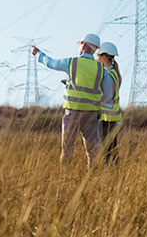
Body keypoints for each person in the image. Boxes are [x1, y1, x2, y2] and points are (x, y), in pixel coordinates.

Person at [32, 33, 113, 167]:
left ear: (84, 45)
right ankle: (94, 179)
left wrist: (39, 54)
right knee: (94, 150)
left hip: (72, 113)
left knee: (67, 148)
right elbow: (108, 93)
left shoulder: (71, 63)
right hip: (91, 114)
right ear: (95, 49)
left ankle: (64, 178)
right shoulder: (101, 69)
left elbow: (51, 63)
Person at [96, 42, 122, 165]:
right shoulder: (113, 73)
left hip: (107, 118)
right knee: (111, 147)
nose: (96, 58)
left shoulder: (108, 75)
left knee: (107, 149)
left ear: (105, 57)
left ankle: (111, 173)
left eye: (98, 56)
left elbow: (106, 96)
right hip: (112, 117)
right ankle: (114, 171)